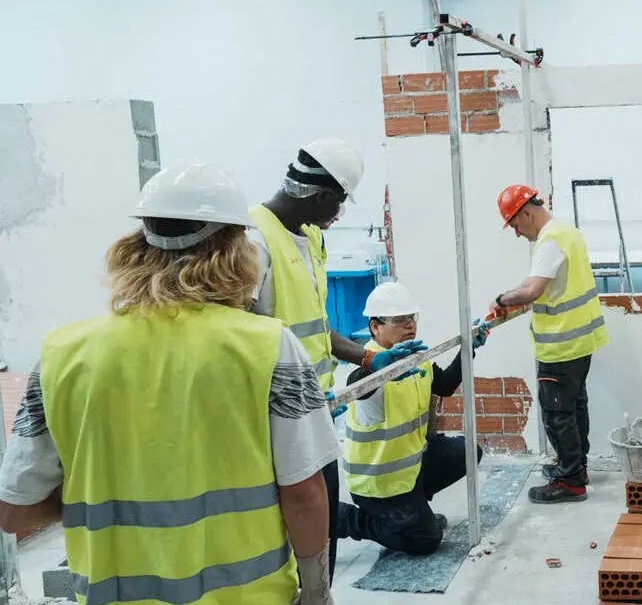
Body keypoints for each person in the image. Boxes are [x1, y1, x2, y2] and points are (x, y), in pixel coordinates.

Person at [0, 162, 339, 604]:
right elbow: (305, 496)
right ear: (236, 249)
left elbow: (14, 509)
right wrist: (316, 593)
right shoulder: (269, 347)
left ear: (134, 246)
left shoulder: (61, 354)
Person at [247, 138, 422, 580]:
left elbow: (316, 329)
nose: (339, 215)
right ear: (323, 194)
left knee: (323, 520)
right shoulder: (254, 241)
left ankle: (320, 589)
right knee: (294, 526)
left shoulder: (307, 237)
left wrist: (370, 358)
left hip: (318, 410)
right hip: (276, 418)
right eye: (340, 202)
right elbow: (236, 339)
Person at [336, 281, 490, 554]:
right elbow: (356, 385)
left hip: (411, 467)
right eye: (399, 320)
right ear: (375, 327)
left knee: (468, 451)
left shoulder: (415, 355)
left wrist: (469, 349)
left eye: (411, 317)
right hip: (378, 482)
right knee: (425, 541)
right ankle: (348, 519)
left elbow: (443, 385)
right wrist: (378, 367)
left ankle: (413, 510)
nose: (409, 325)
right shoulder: (372, 364)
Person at [488, 184, 608, 504]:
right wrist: (514, 299)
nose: (515, 233)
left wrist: (501, 299)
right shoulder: (566, 232)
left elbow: (533, 290)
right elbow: (534, 284)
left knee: (558, 413)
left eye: (514, 225)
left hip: (561, 345)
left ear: (526, 213)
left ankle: (570, 481)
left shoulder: (550, 239)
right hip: (580, 341)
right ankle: (576, 467)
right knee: (574, 407)